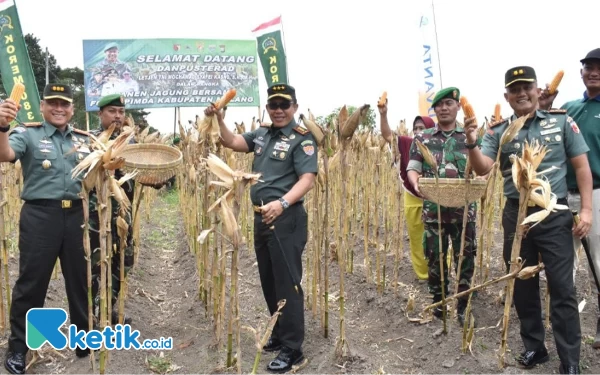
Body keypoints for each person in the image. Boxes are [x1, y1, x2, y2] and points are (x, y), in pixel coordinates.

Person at [465, 66, 592, 375]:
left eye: (527, 87)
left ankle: (570, 359)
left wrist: (586, 210)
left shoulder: (562, 122)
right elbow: (483, 168)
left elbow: (581, 167)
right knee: (522, 283)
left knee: (562, 286)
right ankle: (535, 345)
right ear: (507, 96)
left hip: (554, 211)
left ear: (538, 90)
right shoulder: (498, 132)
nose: (521, 93)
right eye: (515, 89)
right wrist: (471, 142)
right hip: (516, 214)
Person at [204, 83, 317, 373]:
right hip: (261, 217)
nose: (279, 110)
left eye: (284, 105)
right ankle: (278, 335)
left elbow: (307, 178)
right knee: (269, 280)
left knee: (287, 283)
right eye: (273, 105)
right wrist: (219, 117)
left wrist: (282, 203)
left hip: (285, 218)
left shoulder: (301, 139)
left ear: (294, 107)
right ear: (267, 108)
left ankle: (293, 350)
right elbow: (230, 142)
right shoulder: (262, 134)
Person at [0, 84, 92, 375]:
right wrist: (2, 126)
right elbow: (5, 154)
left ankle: (82, 337)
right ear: (42, 107)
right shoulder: (28, 133)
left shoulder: (85, 140)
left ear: (71, 108)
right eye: (52, 103)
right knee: (32, 284)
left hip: (78, 216)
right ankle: (18, 348)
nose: (59, 109)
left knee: (80, 280)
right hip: (40, 217)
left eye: (64, 104)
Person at [539, 48, 600, 350]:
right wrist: (547, 107)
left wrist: (589, 208)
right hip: (562, 196)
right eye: (588, 67)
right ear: (581, 74)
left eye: (598, 68)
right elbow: (547, 137)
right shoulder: (569, 108)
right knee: (564, 265)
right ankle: (563, 326)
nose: (593, 72)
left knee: (599, 262)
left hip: (598, 195)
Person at [406, 87, 479, 326]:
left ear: (458, 106)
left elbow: (482, 168)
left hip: (464, 213)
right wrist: (417, 184)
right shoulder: (423, 138)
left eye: (449, 103)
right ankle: (439, 304)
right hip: (433, 211)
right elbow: (413, 168)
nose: (444, 108)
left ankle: (462, 306)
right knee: (435, 260)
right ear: (434, 110)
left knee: (464, 259)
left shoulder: (469, 137)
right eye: (439, 105)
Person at [89, 93, 135, 326]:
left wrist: (155, 180)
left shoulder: (132, 143)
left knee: (124, 262)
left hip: (123, 215)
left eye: (121, 112)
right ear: (100, 114)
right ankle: (95, 316)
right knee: (97, 265)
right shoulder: (89, 142)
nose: (118, 116)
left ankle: (108, 308)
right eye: (112, 111)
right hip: (95, 216)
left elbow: (140, 173)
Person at [379, 101, 434, 281]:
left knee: (438, 240)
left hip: (436, 199)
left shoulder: (440, 145)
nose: (418, 131)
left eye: (422, 128)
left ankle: (441, 272)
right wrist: (383, 114)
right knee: (417, 239)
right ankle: (423, 275)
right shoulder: (407, 143)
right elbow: (388, 135)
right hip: (413, 198)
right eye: (416, 128)